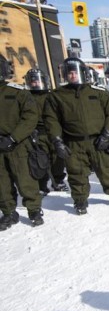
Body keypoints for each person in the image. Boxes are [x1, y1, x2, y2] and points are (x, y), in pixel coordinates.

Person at [44, 57, 109, 215]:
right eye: (69, 73)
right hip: (73, 142)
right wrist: (57, 141)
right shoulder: (57, 95)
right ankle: (80, 200)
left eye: (75, 72)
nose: (72, 76)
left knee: (106, 169)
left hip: (99, 139)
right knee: (76, 173)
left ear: (82, 73)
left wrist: (107, 133)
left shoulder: (99, 92)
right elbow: (51, 120)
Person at [0, 56, 44, 229]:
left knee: (25, 178)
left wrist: (13, 137)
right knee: (1, 182)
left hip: (18, 144)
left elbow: (30, 117)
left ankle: (34, 210)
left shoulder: (18, 92)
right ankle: (9, 212)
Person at [24, 68, 68, 194]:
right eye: (32, 81)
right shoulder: (26, 97)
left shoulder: (52, 95)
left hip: (53, 131)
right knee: (40, 159)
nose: (35, 83)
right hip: (36, 133)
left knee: (57, 157)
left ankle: (58, 180)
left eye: (38, 80)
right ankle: (41, 184)